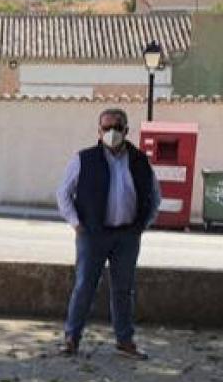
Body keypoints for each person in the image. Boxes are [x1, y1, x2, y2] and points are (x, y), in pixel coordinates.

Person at [56, 108, 160, 360]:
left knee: (123, 289)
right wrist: (76, 223)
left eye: (117, 126)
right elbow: (63, 194)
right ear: (98, 131)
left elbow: (154, 196)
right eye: (106, 127)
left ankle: (125, 341)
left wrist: (141, 226)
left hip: (126, 236)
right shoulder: (84, 159)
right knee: (84, 286)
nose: (111, 132)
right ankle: (72, 338)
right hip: (92, 235)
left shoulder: (140, 161)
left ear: (126, 130)